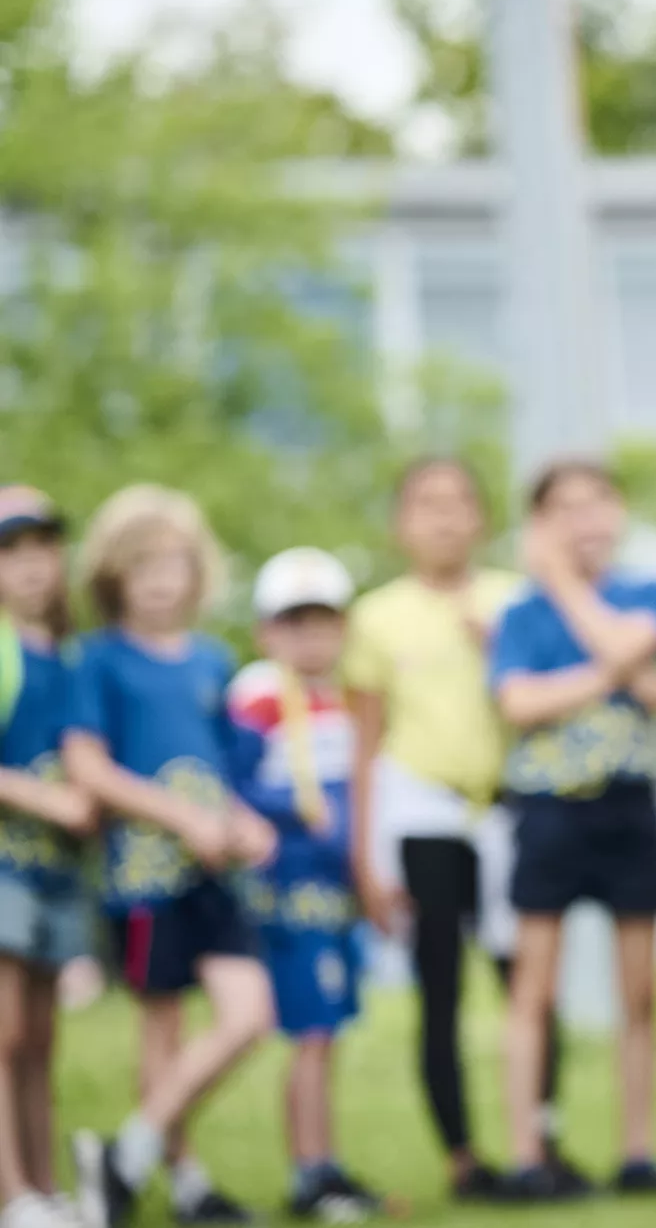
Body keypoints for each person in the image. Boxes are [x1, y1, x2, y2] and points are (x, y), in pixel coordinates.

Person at [340, 457, 560, 1198]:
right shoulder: (375, 616)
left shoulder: (514, 600)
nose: (442, 517)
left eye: (458, 501)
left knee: (528, 983)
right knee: (440, 988)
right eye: (425, 503)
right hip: (422, 813)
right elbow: (364, 744)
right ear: (400, 523)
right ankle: (463, 1156)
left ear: (481, 518)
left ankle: (540, 1142)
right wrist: (365, 860)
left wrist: (501, 645)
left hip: (507, 809)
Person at [64, 486, 277, 1228]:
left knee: (249, 1013)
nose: (159, 578)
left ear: (197, 571)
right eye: (141, 563)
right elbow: (89, 767)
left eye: (173, 562)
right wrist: (180, 816)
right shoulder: (97, 660)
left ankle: (124, 1153)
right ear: (113, 574)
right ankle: (185, 1181)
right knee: (164, 1029)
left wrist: (244, 822)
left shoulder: (212, 661)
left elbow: (217, 771)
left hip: (212, 873)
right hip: (141, 877)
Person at [490, 460, 656, 1198]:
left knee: (640, 990)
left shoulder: (648, 590)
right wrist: (616, 671)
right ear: (540, 522)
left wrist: (575, 603)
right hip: (547, 810)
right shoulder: (518, 613)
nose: (584, 521)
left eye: (597, 503)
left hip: (628, 806)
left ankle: (639, 1151)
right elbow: (517, 704)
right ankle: (526, 1153)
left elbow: (646, 657)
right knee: (533, 988)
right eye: (564, 508)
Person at [227, 549, 384, 1221]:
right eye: (293, 623)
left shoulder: (348, 698)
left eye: (322, 621)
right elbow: (236, 785)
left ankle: (326, 1162)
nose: (309, 637)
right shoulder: (259, 695)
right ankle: (308, 1172)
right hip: (286, 889)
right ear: (267, 631)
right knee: (310, 1029)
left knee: (330, 1028)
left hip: (335, 888)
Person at [0, 490, 95, 1228]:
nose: (31, 566)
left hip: (55, 871)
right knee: (3, 1030)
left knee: (39, 1035)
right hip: (4, 861)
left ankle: (44, 1185)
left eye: (42, 548)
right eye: (12, 550)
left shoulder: (65, 652)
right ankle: (13, 1194)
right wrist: (52, 800)